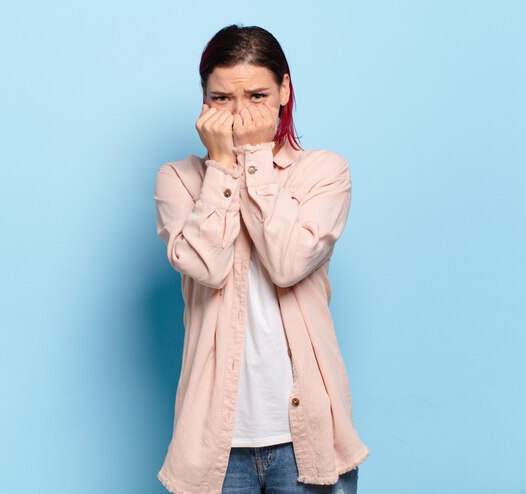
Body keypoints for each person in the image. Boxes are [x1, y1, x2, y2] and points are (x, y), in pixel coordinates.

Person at [154, 24, 370, 493]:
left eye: (256, 95)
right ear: (204, 100)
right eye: (221, 98)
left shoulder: (324, 172)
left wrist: (253, 160)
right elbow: (206, 267)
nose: (240, 113)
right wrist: (223, 169)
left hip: (307, 437)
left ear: (284, 91)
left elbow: (288, 263)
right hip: (213, 444)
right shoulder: (180, 179)